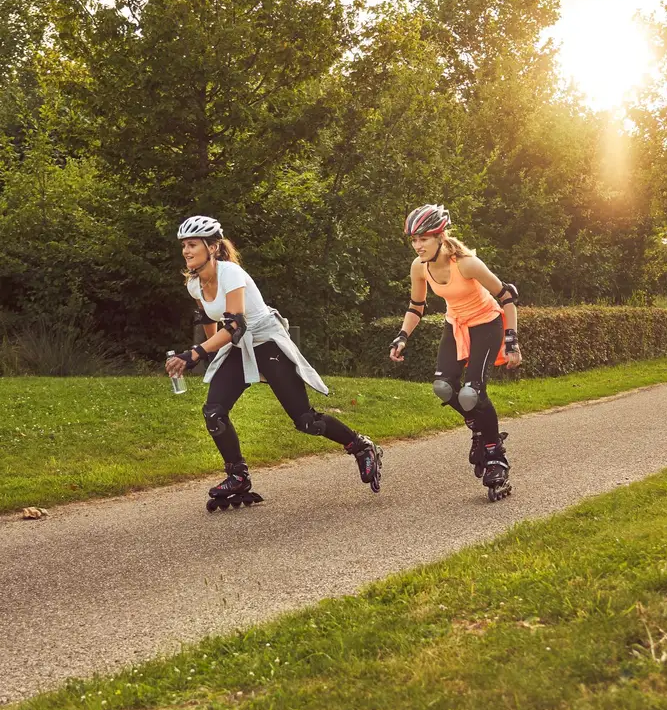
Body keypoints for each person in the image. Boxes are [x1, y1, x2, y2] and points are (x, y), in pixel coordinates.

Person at [165, 216, 382, 510]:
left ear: (212, 247)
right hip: (238, 346)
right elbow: (208, 318)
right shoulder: (194, 283)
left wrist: (195, 354)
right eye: (184, 246)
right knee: (214, 413)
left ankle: (361, 446)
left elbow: (235, 325)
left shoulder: (231, 273)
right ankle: (237, 476)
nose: (186, 251)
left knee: (306, 421)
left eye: (193, 244)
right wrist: (213, 354)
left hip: (267, 341)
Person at [389, 204, 522, 501]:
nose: (418, 245)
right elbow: (416, 307)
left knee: (472, 393)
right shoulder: (419, 267)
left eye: (424, 238)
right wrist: (402, 336)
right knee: (444, 387)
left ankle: (495, 456)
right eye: (414, 240)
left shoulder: (467, 264)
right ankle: (480, 429)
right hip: (456, 325)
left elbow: (507, 296)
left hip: (486, 324)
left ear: (440, 237)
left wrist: (511, 340)